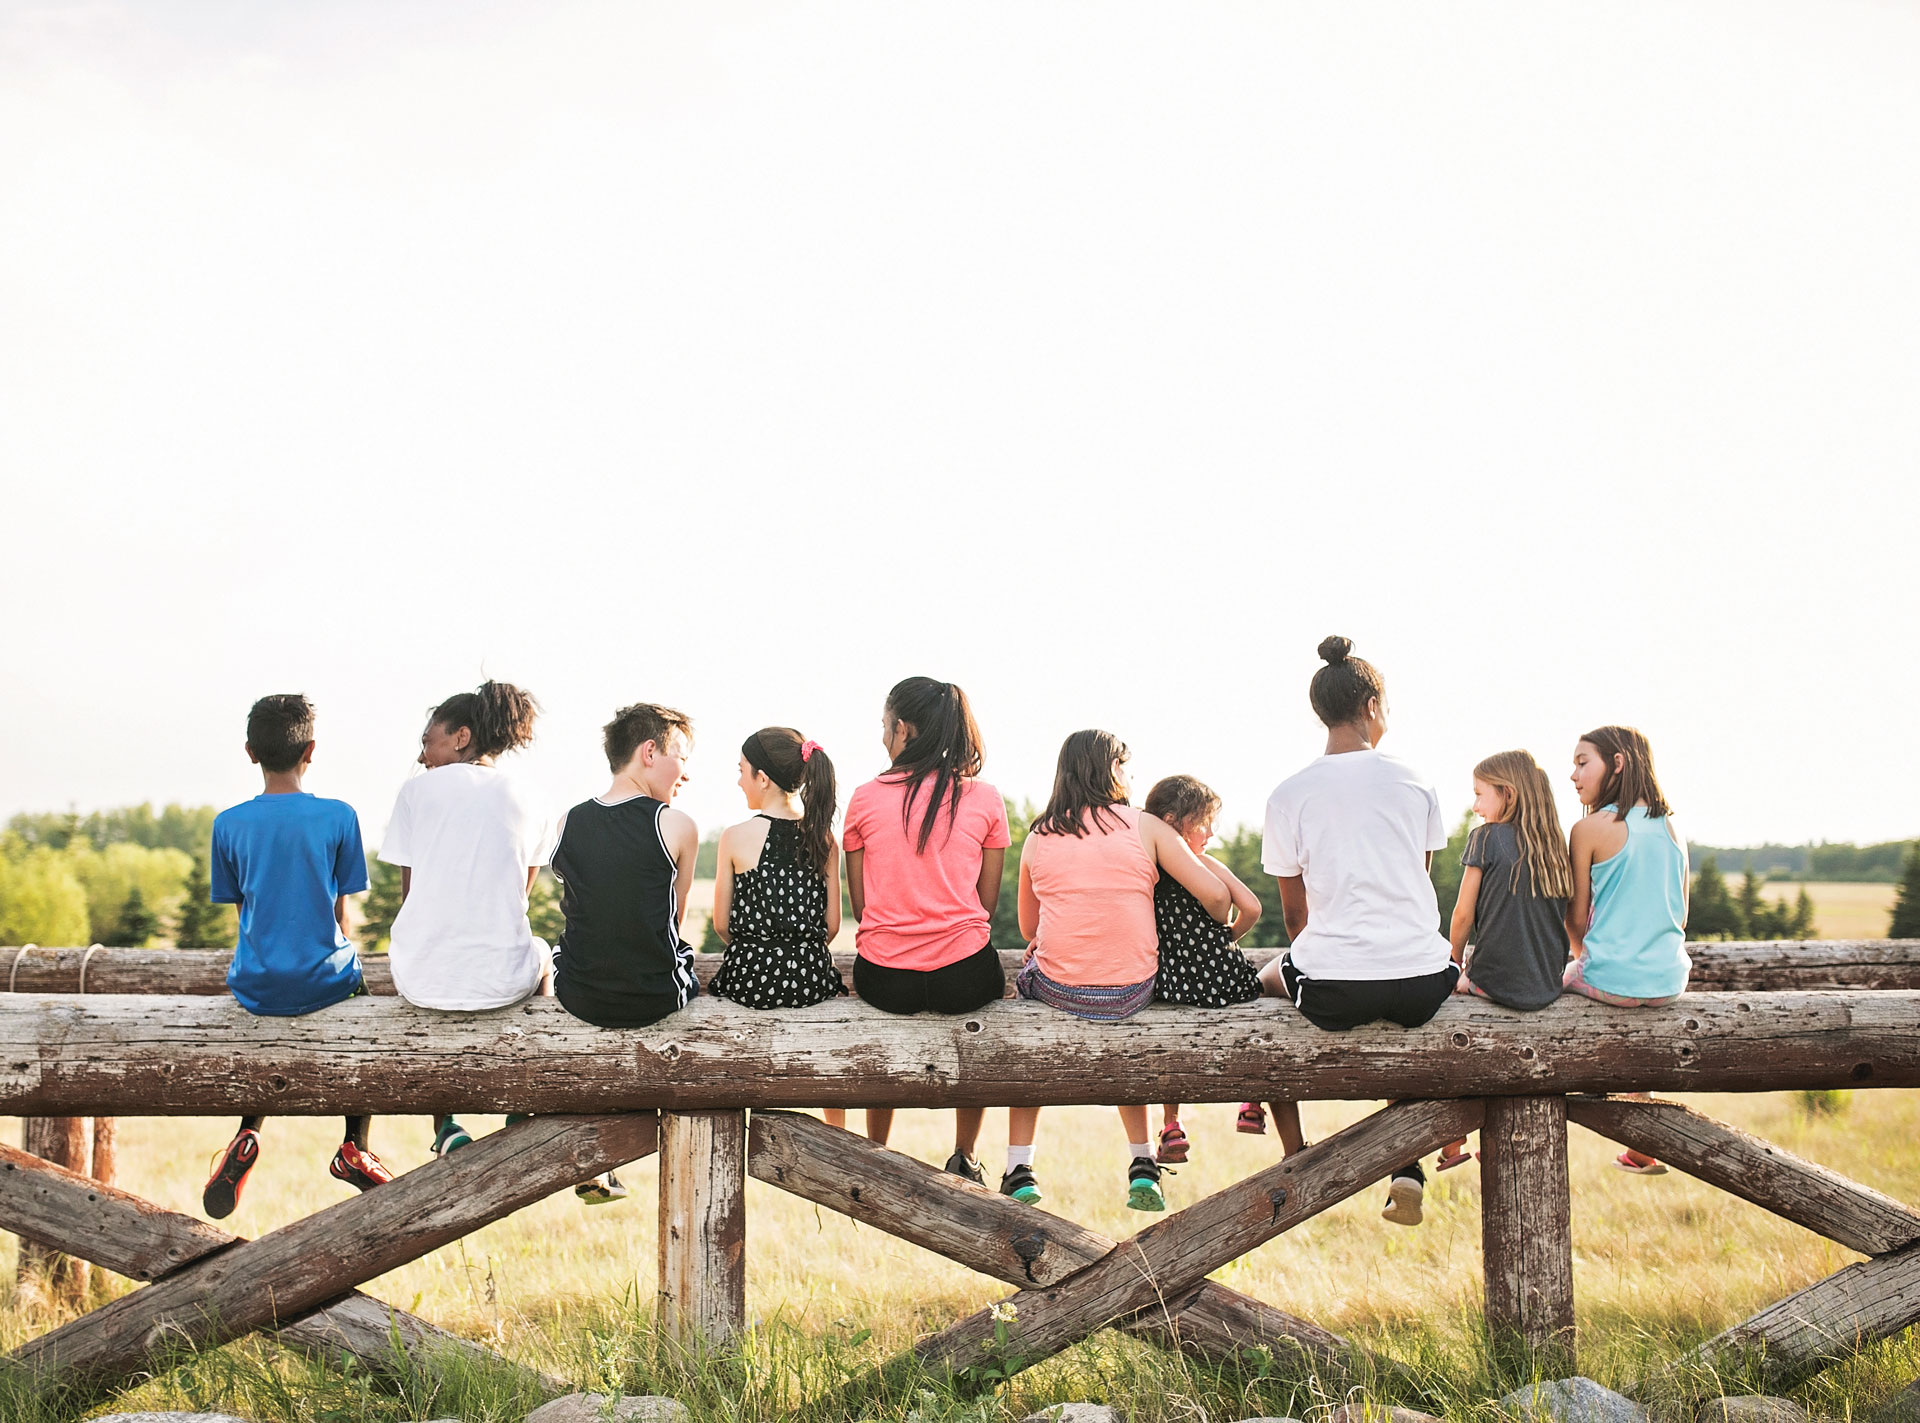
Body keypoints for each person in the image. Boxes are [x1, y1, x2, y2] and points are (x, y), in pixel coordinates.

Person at [1257, 637, 1457, 1228]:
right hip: (1425, 981)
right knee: (1401, 1031)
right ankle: (1407, 1164)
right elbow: (1417, 885)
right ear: (1372, 704)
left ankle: (1294, 1156)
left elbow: (1296, 920)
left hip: (1335, 991)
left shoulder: (1288, 793)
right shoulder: (1416, 780)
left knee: (1265, 980)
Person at [1012, 731, 1233, 1212]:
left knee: (1023, 1005)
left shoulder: (1038, 834)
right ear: (1113, 768)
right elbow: (1217, 897)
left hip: (1059, 992)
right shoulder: (1147, 826)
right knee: (1126, 1032)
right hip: (1133, 990)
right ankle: (1142, 1162)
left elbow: (1029, 926)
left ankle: (1018, 1167)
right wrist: (1220, 929)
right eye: (1127, 766)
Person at [202, 694, 387, 1220]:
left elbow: (243, 908)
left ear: (249, 752)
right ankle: (355, 1144)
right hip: (325, 980)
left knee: (267, 1044)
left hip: (256, 983)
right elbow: (341, 914)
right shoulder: (338, 816)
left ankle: (246, 1135)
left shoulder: (228, 824)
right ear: (311, 750)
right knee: (370, 1023)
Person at [842, 677, 1010, 1180]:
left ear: (902, 729)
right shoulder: (984, 798)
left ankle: (877, 1152)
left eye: (884, 727)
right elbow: (986, 901)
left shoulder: (864, 798)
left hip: (886, 978)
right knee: (981, 1024)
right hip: (966, 974)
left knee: (882, 1033)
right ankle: (966, 1154)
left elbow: (861, 903)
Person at [379, 680, 553, 1161]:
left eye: (426, 742)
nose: (421, 757)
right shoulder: (529, 795)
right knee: (543, 956)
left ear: (460, 737)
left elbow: (410, 894)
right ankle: (523, 1104)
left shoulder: (416, 792)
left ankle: (445, 1125)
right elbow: (520, 894)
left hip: (419, 978)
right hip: (504, 981)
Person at [550, 702, 700, 1204]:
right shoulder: (675, 825)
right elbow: (671, 923)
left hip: (579, 995)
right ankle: (615, 1158)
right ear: (650, 751)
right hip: (652, 996)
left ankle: (599, 1157)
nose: (686, 771)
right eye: (681, 755)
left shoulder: (569, 820)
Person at [1435, 749, 1572, 1170]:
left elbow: (1462, 914)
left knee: (1442, 1029)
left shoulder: (1486, 838)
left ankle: (1452, 1140)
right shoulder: (1554, 845)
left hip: (1492, 981)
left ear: (1507, 795)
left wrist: (1454, 963)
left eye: (1480, 794)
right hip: (1548, 985)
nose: (1475, 807)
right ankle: (1491, 1141)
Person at [1566, 724, 1690, 1174]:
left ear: (1617, 763)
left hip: (1609, 978)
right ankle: (1641, 1144)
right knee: (1632, 1003)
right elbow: (1680, 917)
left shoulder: (1588, 829)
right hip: (1669, 982)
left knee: (1543, 989)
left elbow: (1576, 920)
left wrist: (1581, 960)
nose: (1574, 775)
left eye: (1583, 763)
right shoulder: (1673, 830)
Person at [1139, 774, 1265, 1167]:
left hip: (1171, 981)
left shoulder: (1148, 872)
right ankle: (1251, 1102)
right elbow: (1253, 908)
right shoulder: (1204, 864)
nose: (1210, 832)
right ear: (1173, 821)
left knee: (1167, 1046)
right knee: (1255, 1017)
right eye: (1203, 822)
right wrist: (1228, 937)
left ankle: (1171, 1124)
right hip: (1221, 974)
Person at [709, 727, 848, 1009]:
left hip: (748, 981)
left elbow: (721, 925)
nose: (738, 782)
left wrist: (756, 950)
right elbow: (832, 926)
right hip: (811, 981)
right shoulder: (824, 839)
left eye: (741, 771)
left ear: (762, 778)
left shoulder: (733, 837)